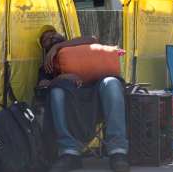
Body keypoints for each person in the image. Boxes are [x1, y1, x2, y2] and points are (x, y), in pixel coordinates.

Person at [37, 25, 129, 172]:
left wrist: (58, 46)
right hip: (72, 101)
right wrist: (62, 77)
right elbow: (42, 85)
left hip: (98, 94)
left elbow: (92, 39)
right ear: (44, 49)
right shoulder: (48, 65)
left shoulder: (78, 44)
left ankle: (117, 151)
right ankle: (69, 152)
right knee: (56, 92)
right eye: (46, 40)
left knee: (112, 83)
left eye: (53, 34)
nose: (51, 38)